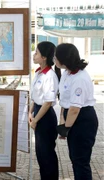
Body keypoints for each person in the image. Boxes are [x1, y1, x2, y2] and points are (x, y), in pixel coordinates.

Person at [54, 43, 98, 180]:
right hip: (72, 117)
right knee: (75, 158)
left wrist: (66, 128)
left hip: (82, 119)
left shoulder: (79, 78)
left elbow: (74, 109)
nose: (53, 59)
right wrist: (63, 124)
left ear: (64, 58)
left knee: (80, 161)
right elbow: (65, 101)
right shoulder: (67, 73)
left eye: (56, 56)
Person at [28, 41, 60, 180]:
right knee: (41, 154)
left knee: (47, 155)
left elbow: (48, 102)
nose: (33, 55)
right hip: (38, 113)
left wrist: (35, 120)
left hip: (45, 117)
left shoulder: (50, 76)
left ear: (44, 57)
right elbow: (35, 97)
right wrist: (30, 112)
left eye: (36, 53)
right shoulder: (39, 73)